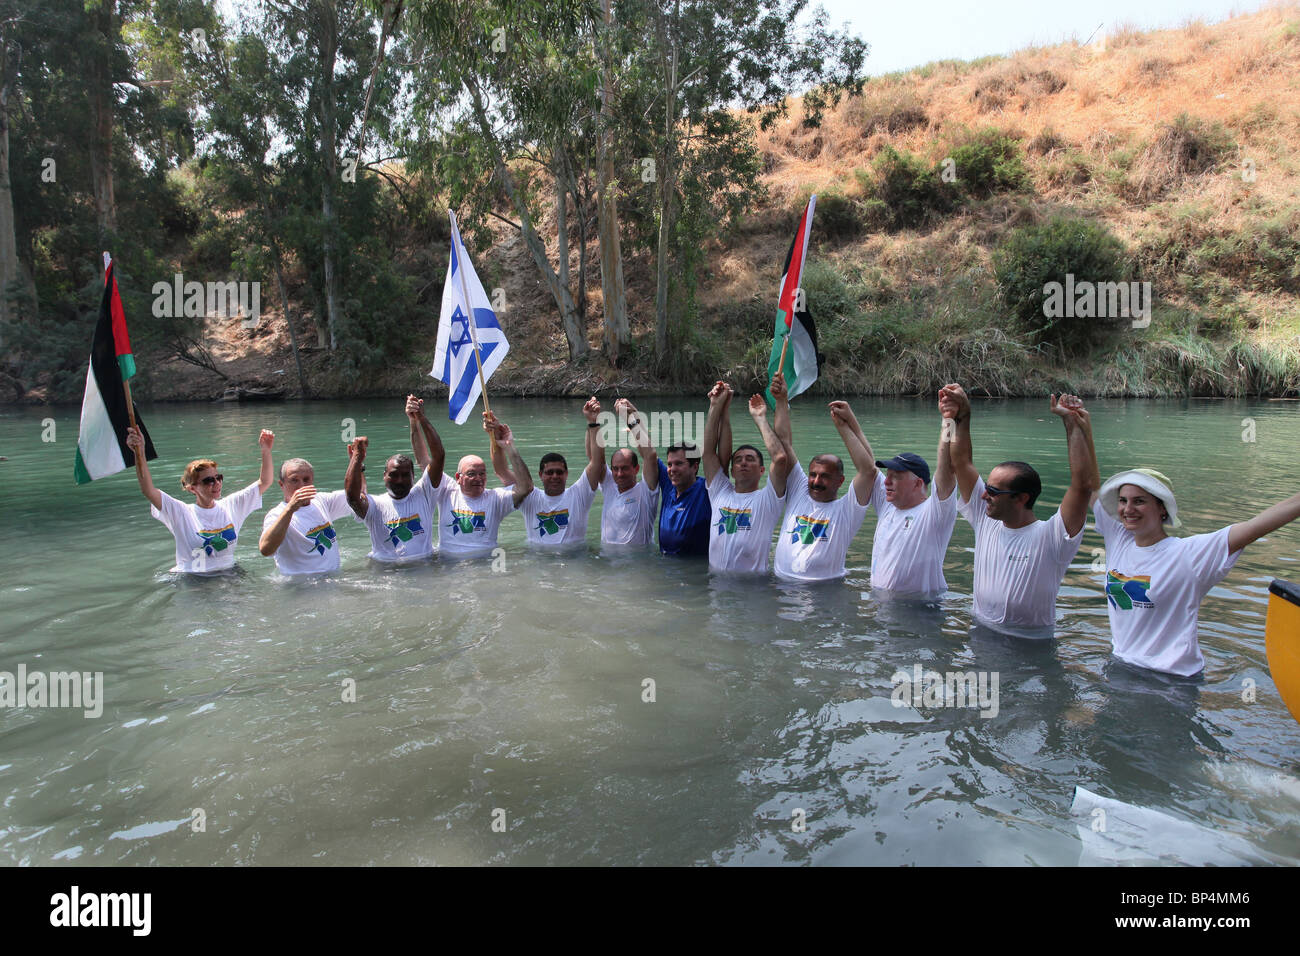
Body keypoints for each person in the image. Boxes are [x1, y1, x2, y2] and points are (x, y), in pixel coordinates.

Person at [1092, 467, 1300, 678]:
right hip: (1121, 667)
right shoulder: (1117, 538)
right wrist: (1078, 431)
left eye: (1139, 501)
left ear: (1162, 508)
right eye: (1123, 500)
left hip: (1172, 681)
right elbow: (1086, 483)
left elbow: (1258, 525)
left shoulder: (1190, 554)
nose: (1128, 509)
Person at [939, 384, 1098, 635]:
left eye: (994, 491)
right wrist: (961, 416)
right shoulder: (985, 520)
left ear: (1021, 498)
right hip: (980, 638)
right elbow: (961, 462)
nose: (984, 494)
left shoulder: (1053, 537)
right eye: (987, 487)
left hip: (1030, 650)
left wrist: (1072, 425)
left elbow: (1082, 485)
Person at [125, 424, 274, 573]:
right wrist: (140, 453)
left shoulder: (231, 505)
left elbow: (265, 482)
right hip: (194, 579)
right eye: (208, 480)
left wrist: (266, 451)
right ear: (192, 488)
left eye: (218, 478)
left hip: (229, 574)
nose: (216, 483)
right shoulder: (181, 513)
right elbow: (148, 490)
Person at [770, 377, 871, 583]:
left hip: (825, 594)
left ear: (840, 481)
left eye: (825, 476)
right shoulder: (799, 491)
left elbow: (868, 471)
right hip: (780, 589)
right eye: (813, 474)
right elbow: (784, 443)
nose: (816, 481)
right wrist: (781, 401)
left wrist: (846, 425)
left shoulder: (848, 510)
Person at [701, 379, 791, 573]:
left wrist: (760, 418)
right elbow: (708, 452)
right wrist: (716, 406)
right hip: (717, 588)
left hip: (753, 590)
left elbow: (780, 457)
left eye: (750, 459)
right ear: (732, 471)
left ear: (761, 470)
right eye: (739, 460)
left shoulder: (768, 499)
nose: (743, 462)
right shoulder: (719, 493)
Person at [344, 396, 443, 563]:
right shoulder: (375, 505)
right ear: (384, 476)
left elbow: (438, 456)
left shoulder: (424, 494)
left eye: (405, 476)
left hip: (424, 572)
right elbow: (352, 498)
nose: (399, 480)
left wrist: (421, 419)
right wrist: (357, 458)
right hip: (386, 574)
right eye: (394, 475)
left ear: (414, 477)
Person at [501, 397, 603, 548]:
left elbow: (597, 462)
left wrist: (593, 422)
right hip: (538, 564)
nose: (555, 476)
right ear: (540, 475)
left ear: (566, 474)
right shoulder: (529, 497)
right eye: (549, 473)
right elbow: (501, 471)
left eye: (559, 472)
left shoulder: (579, 494)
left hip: (574, 564)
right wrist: (506, 445)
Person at [433, 411, 533, 557]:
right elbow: (426, 461)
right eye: (472, 474)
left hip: (485, 564)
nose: (478, 479)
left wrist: (509, 446)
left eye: (482, 474)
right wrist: (416, 421)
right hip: (449, 565)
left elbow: (526, 487)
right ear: (458, 478)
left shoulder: (495, 499)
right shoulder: (446, 491)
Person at [259, 455, 354, 575]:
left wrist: (356, 463)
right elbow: (265, 550)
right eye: (294, 480)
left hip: (333, 579)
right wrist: (290, 508)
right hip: (302, 587)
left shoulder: (321, 501)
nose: (301, 486)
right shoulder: (276, 514)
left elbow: (356, 496)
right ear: (281, 485)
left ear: (312, 481)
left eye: (306, 479)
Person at [596, 398, 661, 547]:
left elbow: (649, 454)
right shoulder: (609, 487)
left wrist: (629, 418)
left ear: (636, 469)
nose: (619, 474)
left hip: (638, 567)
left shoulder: (646, 492)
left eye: (625, 468)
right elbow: (596, 460)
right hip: (608, 565)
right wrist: (593, 421)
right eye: (616, 469)